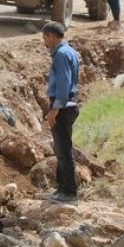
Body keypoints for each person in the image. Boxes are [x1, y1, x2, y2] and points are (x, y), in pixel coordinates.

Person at [41, 21, 81, 204]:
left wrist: (55, 109)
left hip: (63, 107)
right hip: (69, 105)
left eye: (45, 38)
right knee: (61, 149)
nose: (45, 42)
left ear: (51, 36)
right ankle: (61, 189)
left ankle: (70, 193)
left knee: (64, 151)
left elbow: (64, 84)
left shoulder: (60, 55)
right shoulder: (70, 51)